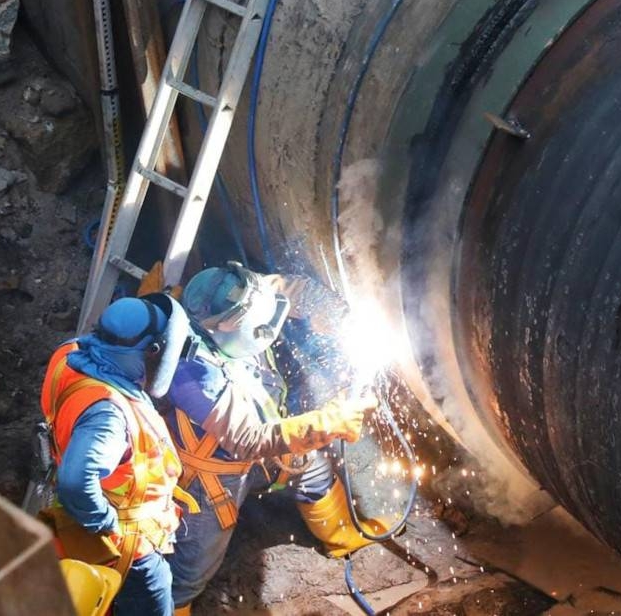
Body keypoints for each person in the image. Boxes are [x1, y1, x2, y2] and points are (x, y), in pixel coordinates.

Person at [159, 262, 383, 615]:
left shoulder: (246, 292)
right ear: (226, 331)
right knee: (190, 568)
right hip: (213, 473)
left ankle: (343, 536)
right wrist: (327, 422)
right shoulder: (193, 373)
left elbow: (296, 291)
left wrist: (341, 320)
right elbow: (248, 439)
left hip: (265, 445)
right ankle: (173, 605)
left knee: (311, 471)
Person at [39, 296, 198, 616]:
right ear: (152, 351)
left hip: (73, 527)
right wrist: (108, 524)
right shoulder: (109, 414)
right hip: (128, 547)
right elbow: (76, 482)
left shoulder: (70, 355)